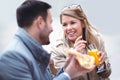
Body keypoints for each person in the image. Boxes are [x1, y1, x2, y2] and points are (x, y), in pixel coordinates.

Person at [0, 1, 94, 80]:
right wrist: (68, 75)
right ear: (40, 22)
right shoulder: (14, 56)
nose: (52, 29)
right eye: (50, 22)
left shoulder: (34, 52)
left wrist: (67, 67)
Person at [51, 4, 111, 80]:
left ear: (83, 23)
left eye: (73, 23)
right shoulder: (58, 50)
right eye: (65, 25)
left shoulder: (97, 39)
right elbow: (63, 77)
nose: (68, 28)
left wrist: (102, 65)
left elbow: (106, 74)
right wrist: (74, 55)